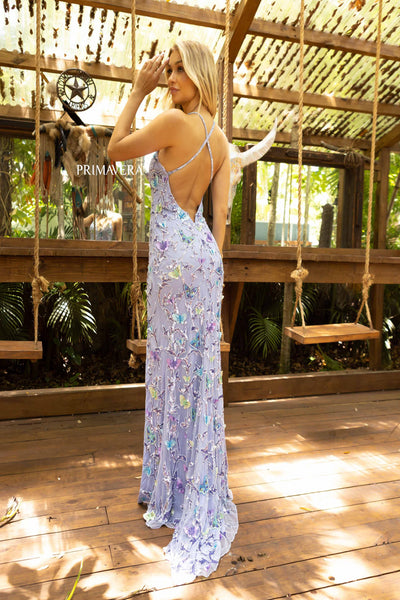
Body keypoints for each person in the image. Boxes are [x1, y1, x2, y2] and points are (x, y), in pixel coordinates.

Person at [108, 40, 238, 584]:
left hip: (171, 259)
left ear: (201, 75)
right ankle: (192, 487)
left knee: (169, 371)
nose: (170, 78)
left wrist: (136, 91)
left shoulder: (170, 122)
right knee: (198, 375)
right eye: (168, 71)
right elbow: (220, 216)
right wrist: (209, 266)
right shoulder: (222, 141)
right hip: (204, 257)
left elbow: (113, 150)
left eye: (181, 70)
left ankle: (169, 490)